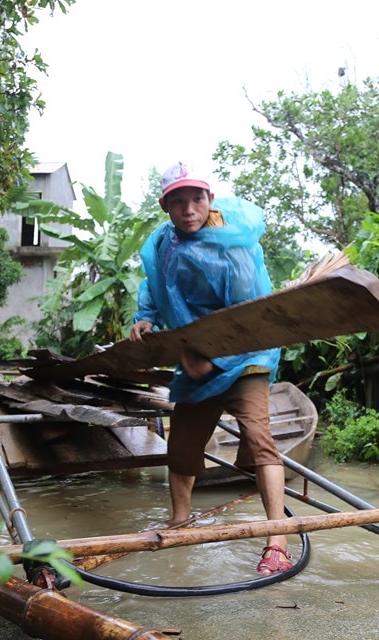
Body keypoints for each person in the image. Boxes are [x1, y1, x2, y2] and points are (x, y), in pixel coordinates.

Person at [129, 162, 292, 575]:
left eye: (196, 198)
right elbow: (154, 283)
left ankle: (278, 538)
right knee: (182, 447)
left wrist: (209, 355)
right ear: (165, 206)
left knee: (259, 438)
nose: (189, 209)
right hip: (195, 356)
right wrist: (146, 316)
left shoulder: (230, 246)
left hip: (245, 355)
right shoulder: (163, 243)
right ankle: (180, 521)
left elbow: (242, 317)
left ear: (210, 200)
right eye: (178, 201)